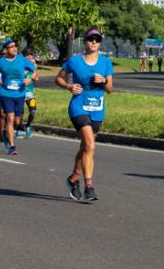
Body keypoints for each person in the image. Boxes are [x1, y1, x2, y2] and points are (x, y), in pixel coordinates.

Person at [56, 28, 114, 202]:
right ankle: (89, 186)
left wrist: (103, 81)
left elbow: (110, 89)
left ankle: (73, 178)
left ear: (100, 42)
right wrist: (69, 87)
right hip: (79, 106)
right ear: (85, 41)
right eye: (91, 39)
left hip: (97, 109)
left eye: (97, 39)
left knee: (85, 147)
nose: (94, 42)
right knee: (90, 146)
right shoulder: (74, 61)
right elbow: (58, 78)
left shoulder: (105, 63)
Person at [0, 39, 36, 155]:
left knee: (17, 121)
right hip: (6, 93)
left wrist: (29, 79)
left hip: (20, 93)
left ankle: (5, 132)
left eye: (15, 46)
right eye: (11, 47)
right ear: (6, 49)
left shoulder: (22, 60)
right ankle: (12, 146)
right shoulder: (1, 62)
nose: (14, 48)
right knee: (10, 118)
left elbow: (34, 70)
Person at [21, 47, 39, 138]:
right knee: (20, 112)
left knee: (33, 111)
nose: (30, 57)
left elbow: (36, 78)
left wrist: (34, 72)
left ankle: (28, 126)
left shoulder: (34, 66)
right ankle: (17, 129)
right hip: (19, 93)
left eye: (31, 56)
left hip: (30, 93)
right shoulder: (20, 65)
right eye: (28, 56)